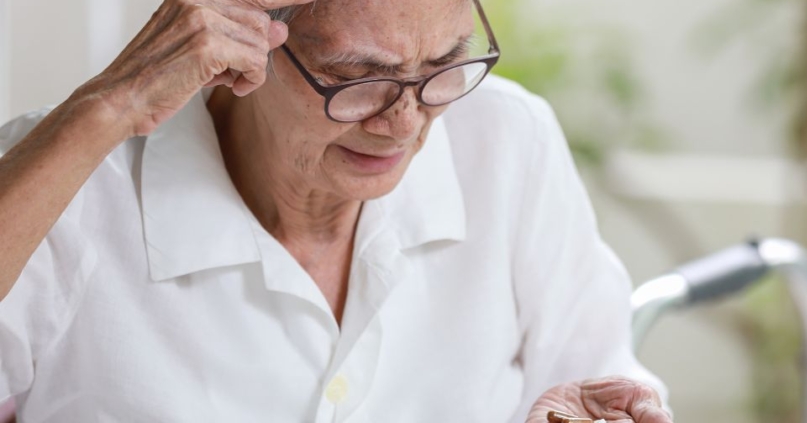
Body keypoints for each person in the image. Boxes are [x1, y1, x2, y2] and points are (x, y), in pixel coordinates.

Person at [0, 0, 673, 421]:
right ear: (235, 38)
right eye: (357, 78)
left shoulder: (506, 142)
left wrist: (592, 407)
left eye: (445, 63)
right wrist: (109, 107)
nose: (404, 122)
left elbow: (589, 372)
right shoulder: (68, 179)